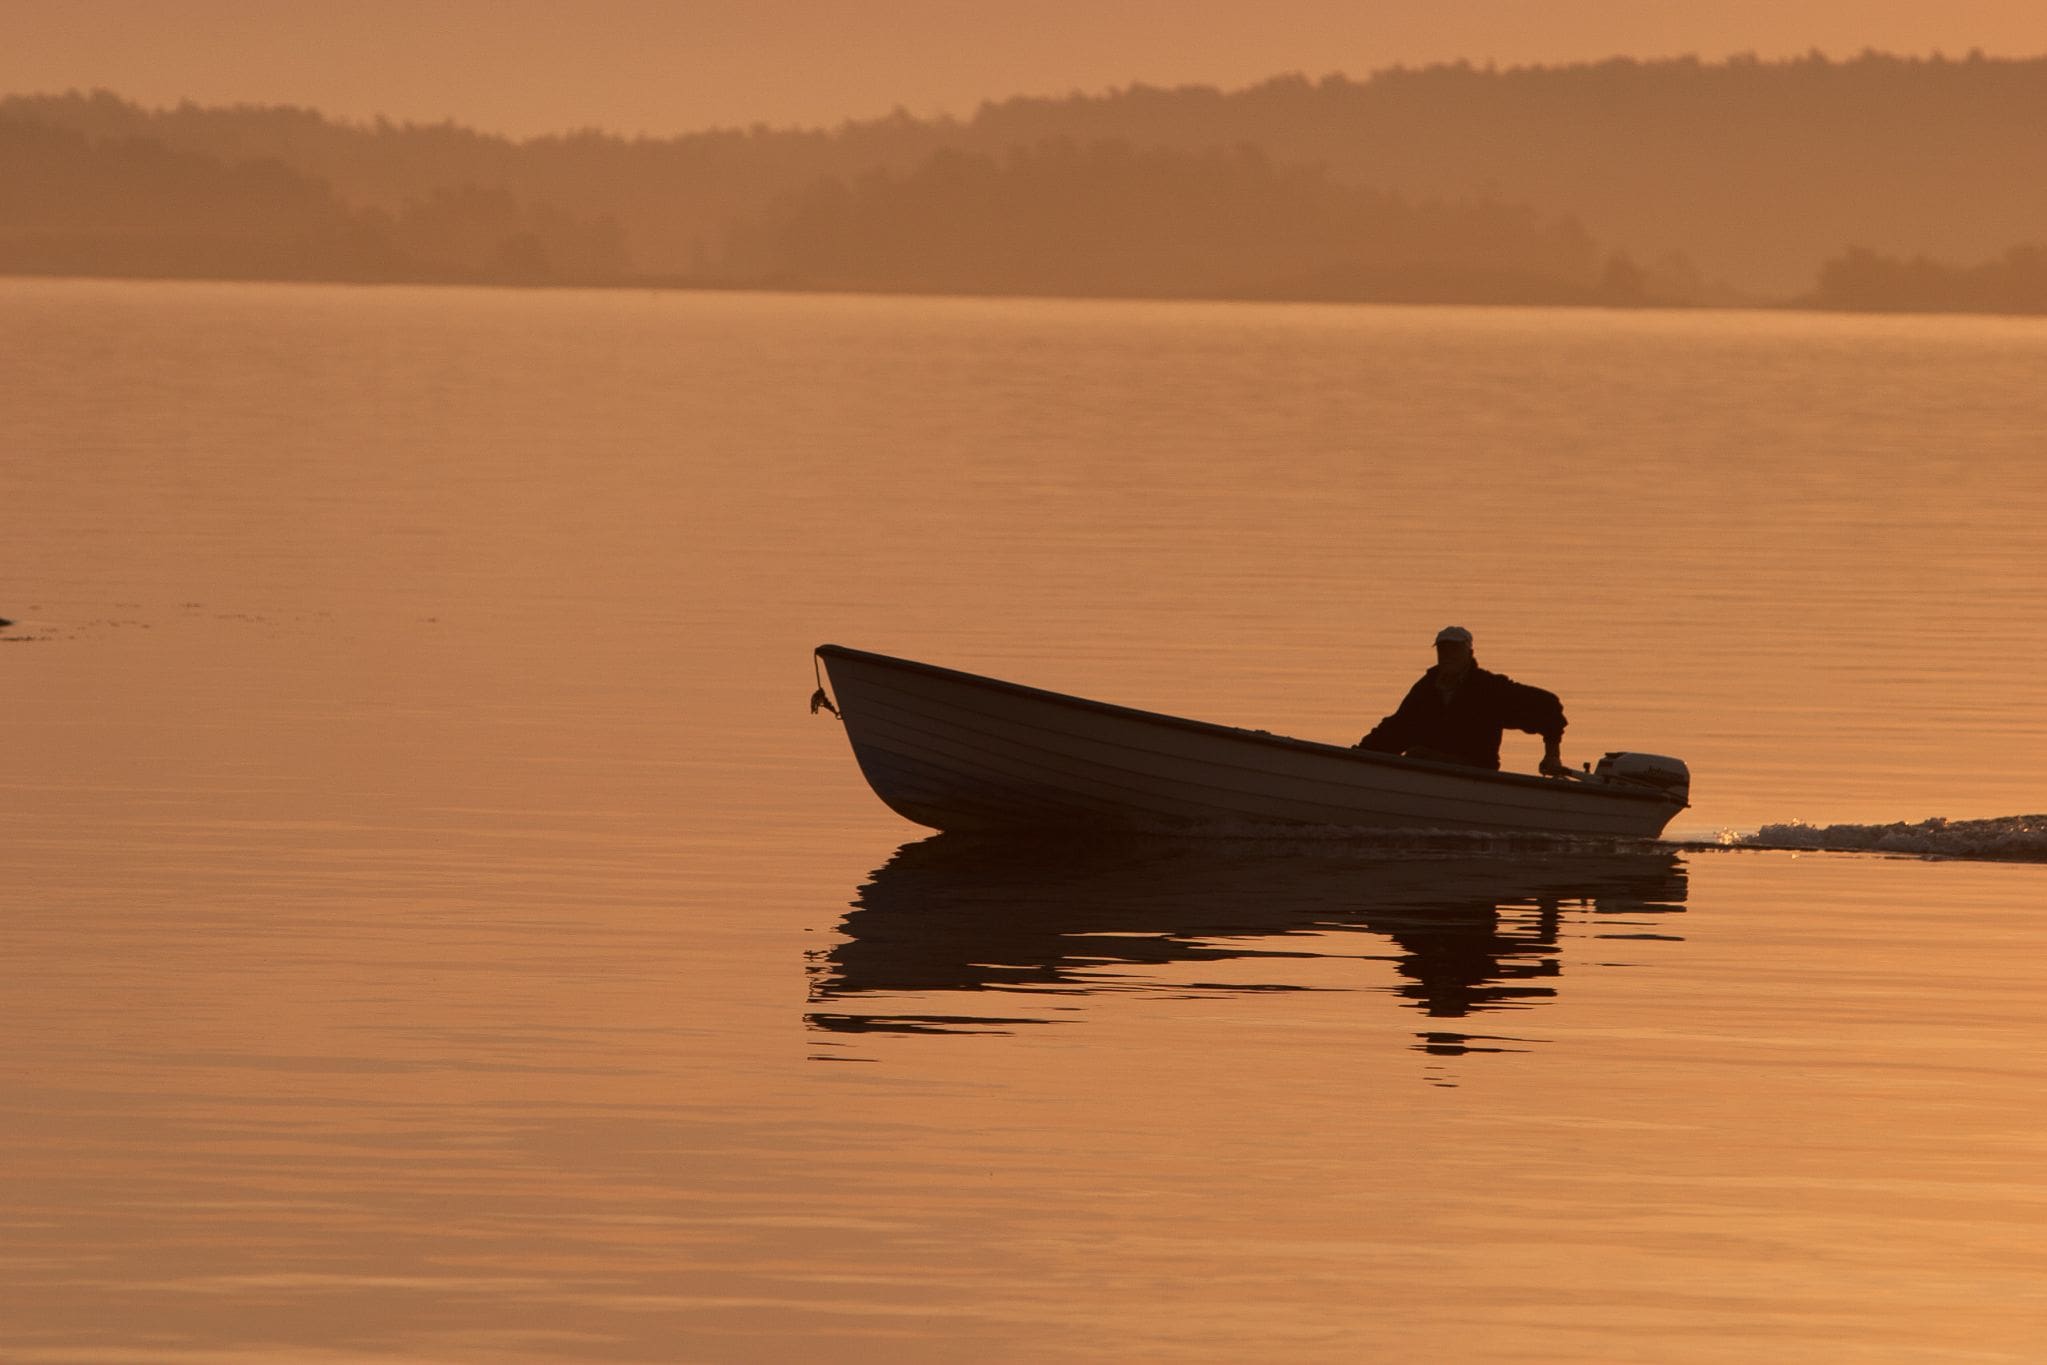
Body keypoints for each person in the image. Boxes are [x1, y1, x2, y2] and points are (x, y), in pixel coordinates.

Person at [1355, 626, 1572, 776]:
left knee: (1417, 755)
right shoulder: (1426, 689)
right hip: (1429, 768)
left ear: (1469, 653)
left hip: (1475, 770)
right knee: (1416, 754)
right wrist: (1359, 756)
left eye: (1455, 650)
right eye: (1443, 650)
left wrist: (1552, 756)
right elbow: (1398, 727)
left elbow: (1548, 706)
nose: (1448, 655)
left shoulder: (1488, 688)